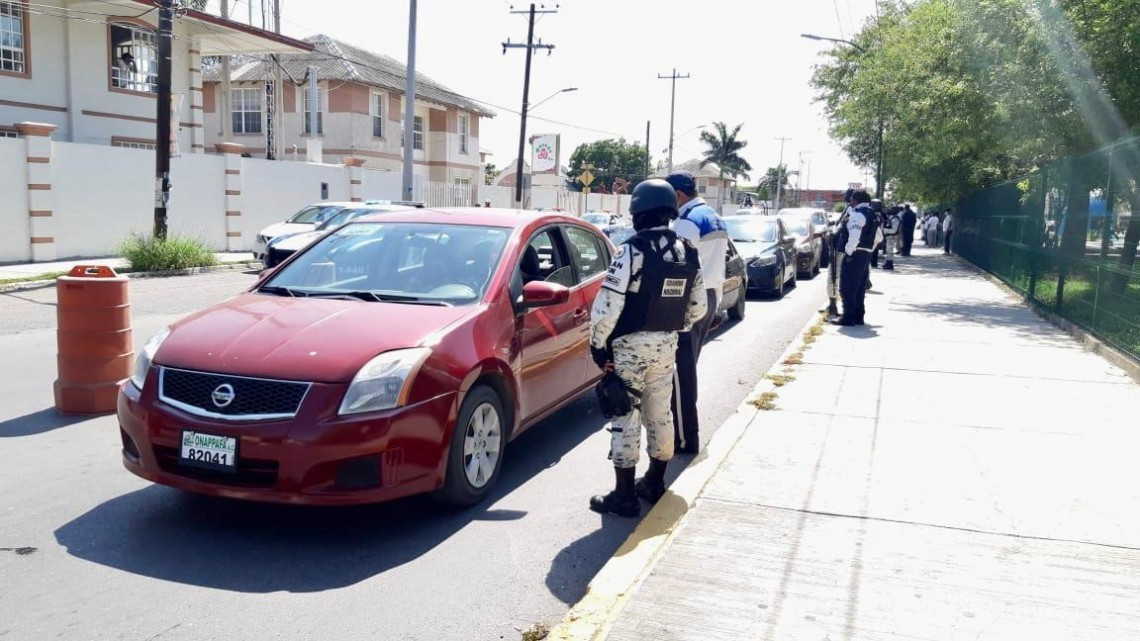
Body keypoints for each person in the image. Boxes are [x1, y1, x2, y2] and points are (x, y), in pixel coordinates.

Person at [588, 179, 707, 517]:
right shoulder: (687, 251)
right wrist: (671, 328)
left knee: (625, 415)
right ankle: (655, 482)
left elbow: (606, 307)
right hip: (667, 345)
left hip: (628, 347)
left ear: (637, 212)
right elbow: (697, 308)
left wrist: (599, 348)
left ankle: (624, 495)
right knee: (660, 414)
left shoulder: (631, 250)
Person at [664, 170, 727, 455]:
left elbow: (677, 270)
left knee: (679, 375)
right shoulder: (713, 216)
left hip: (689, 303)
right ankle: (684, 433)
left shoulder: (686, 223)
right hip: (710, 297)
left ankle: (684, 438)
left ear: (678, 195)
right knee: (687, 369)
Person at [832, 189, 879, 326]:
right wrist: (870, 249)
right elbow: (878, 236)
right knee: (859, 287)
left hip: (855, 253)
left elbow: (854, 236)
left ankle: (848, 317)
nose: (850, 202)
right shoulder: (872, 213)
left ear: (856, 200)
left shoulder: (858, 215)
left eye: (851, 200)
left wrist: (849, 252)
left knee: (847, 287)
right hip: (865, 254)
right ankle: (858, 316)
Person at [882, 205, 902, 270]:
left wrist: (884, 230)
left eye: (892, 209)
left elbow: (894, 230)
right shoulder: (892, 217)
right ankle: (887, 262)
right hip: (889, 236)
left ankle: (889, 263)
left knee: (890, 250)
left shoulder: (895, 218)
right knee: (888, 250)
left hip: (891, 236)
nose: (890, 210)